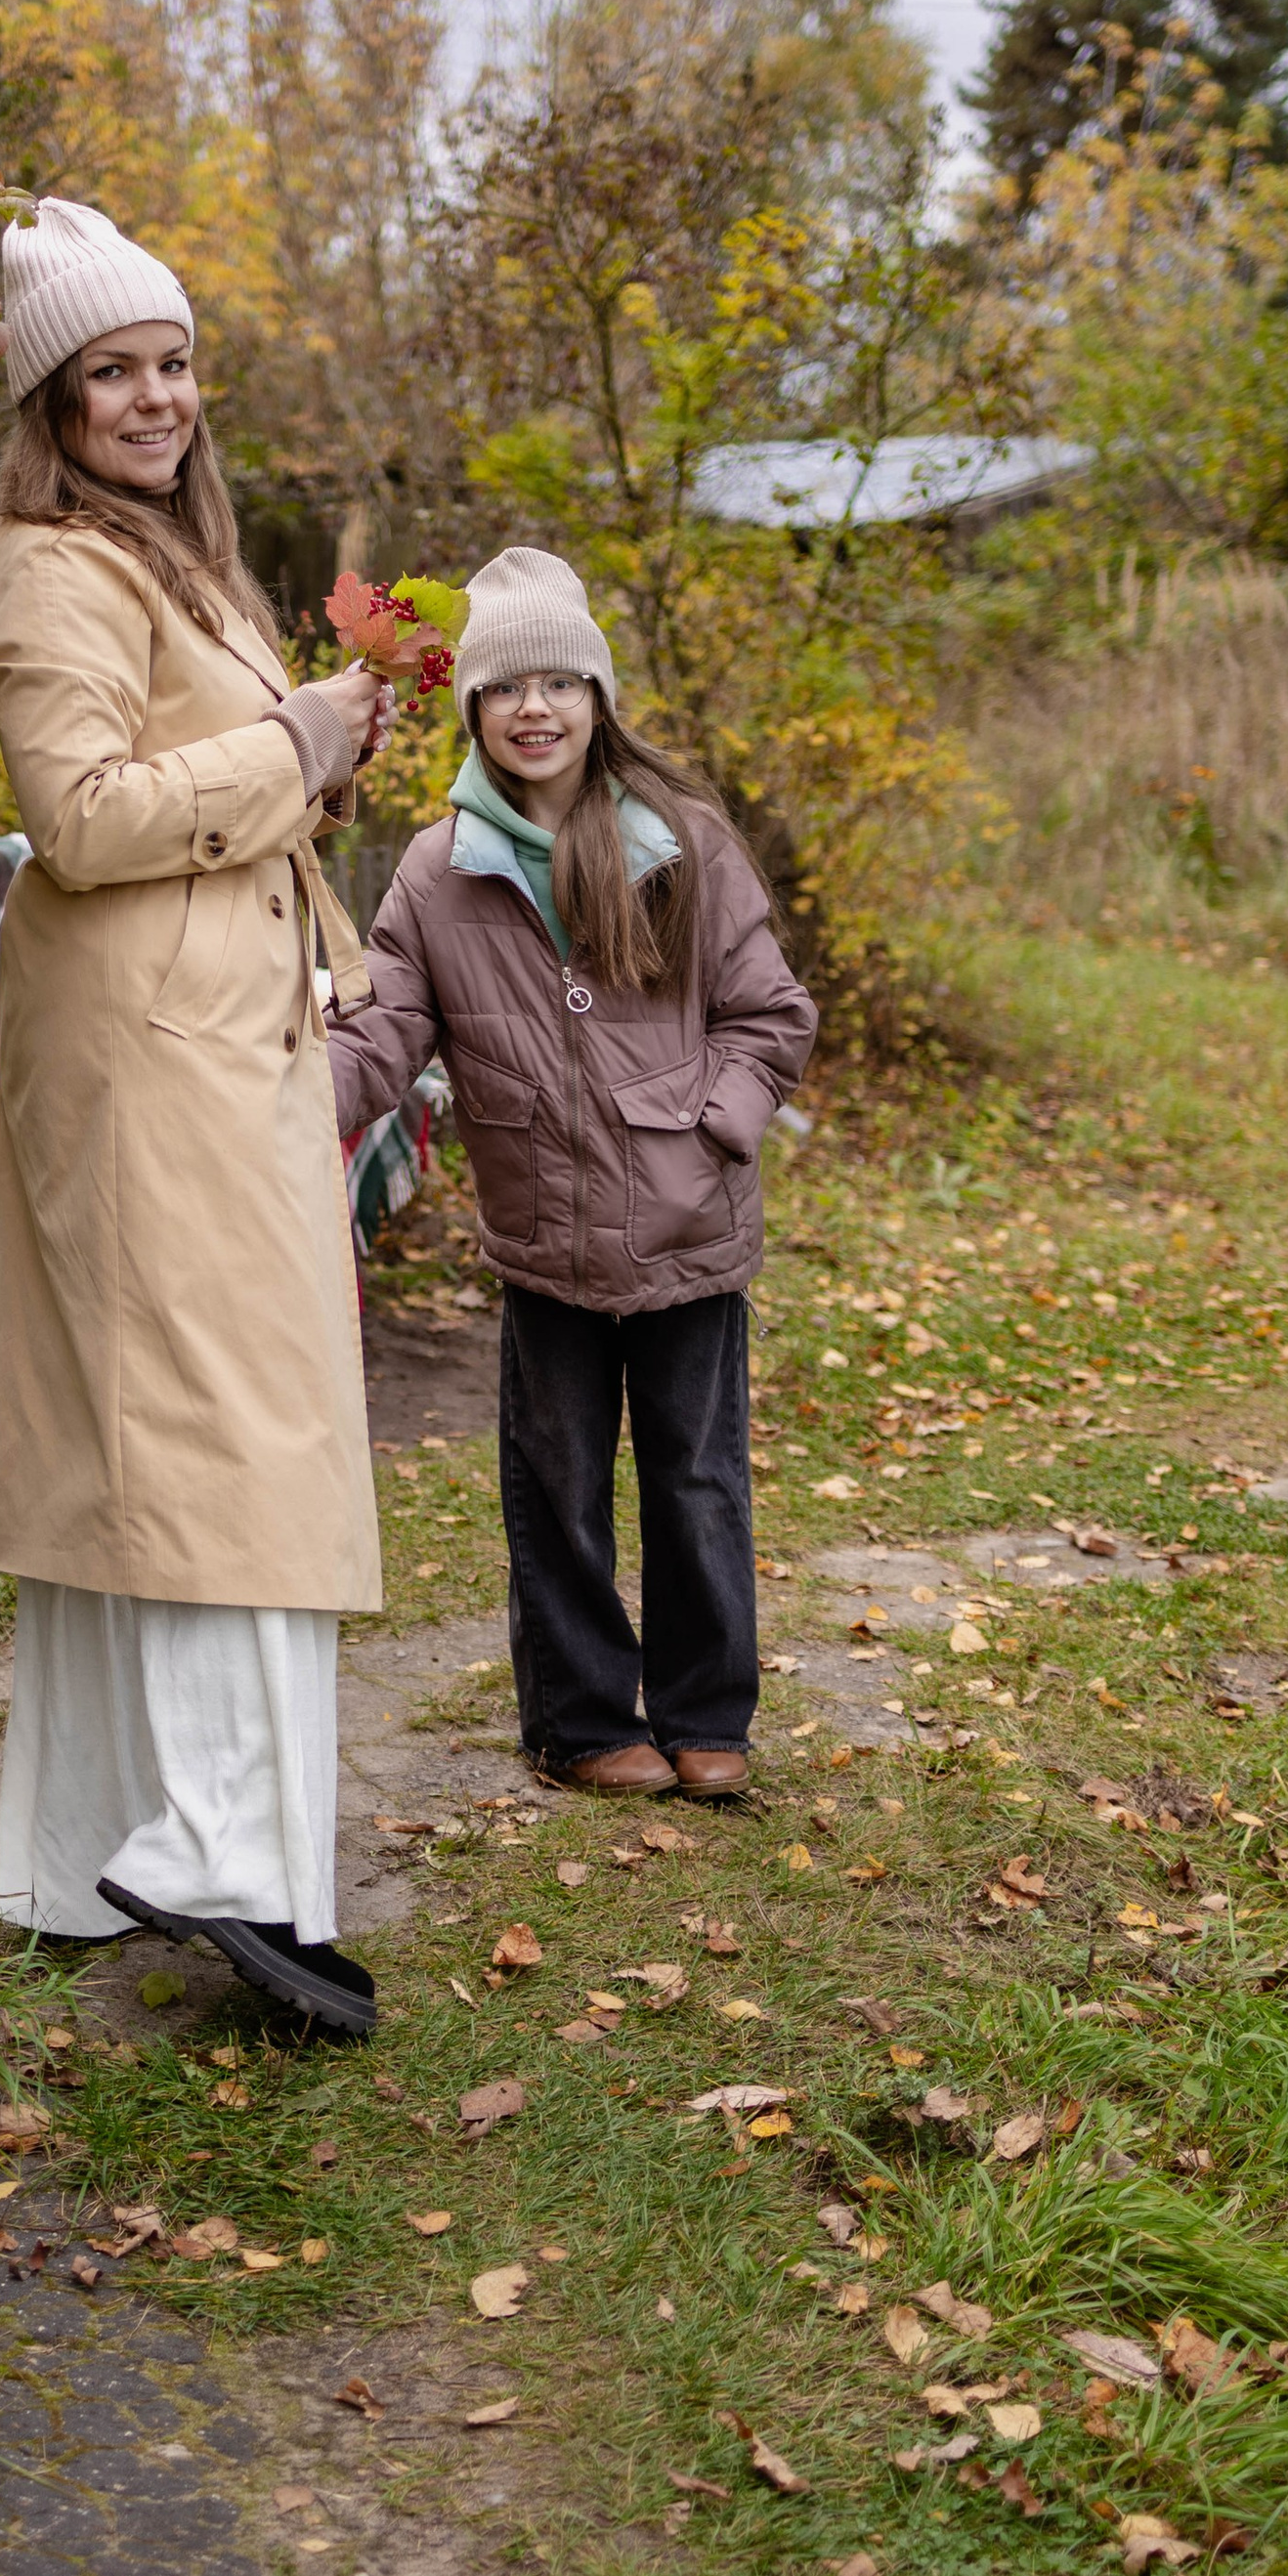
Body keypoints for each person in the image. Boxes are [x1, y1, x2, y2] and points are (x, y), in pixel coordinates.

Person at [0, 196, 391, 2035]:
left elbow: (206, 791)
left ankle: (72, 1860)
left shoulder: (177, 561)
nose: (155, 399)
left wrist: (318, 763)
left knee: (126, 1442)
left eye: (172, 365)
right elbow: (80, 817)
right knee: (226, 1438)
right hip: (154, 1059)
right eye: (112, 374)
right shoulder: (52, 570)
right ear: (52, 405)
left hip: (214, 1034)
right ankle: (218, 1855)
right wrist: (290, 746)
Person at [325, 547, 817, 1799]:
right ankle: (585, 1723)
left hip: (685, 1232)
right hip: (543, 1239)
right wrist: (274, 1107)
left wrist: (713, 1128)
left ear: (598, 699)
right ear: (473, 709)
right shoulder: (439, 875)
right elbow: (383, 1036)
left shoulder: (679, 846)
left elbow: (771, 1016)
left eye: (559, 681)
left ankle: (707, 1712)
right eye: (505, 686)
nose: (533, 707)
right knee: (555, 1490)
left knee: (696, 1480)